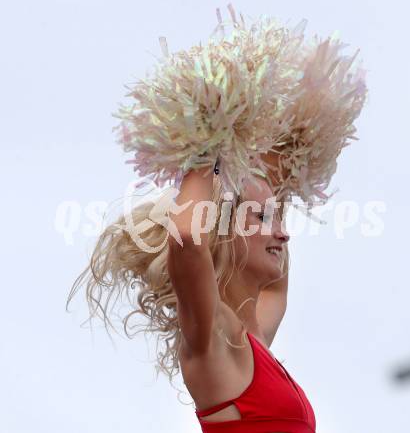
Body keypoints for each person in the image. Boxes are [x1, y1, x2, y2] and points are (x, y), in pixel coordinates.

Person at [67, 161, 317, 433]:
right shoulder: (218, 339)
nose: (284, 234)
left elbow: (276, 288)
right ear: (221, 229)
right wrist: (205, 147)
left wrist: (282, 151)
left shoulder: (253, 339)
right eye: (263, 217)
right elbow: (186, 238)